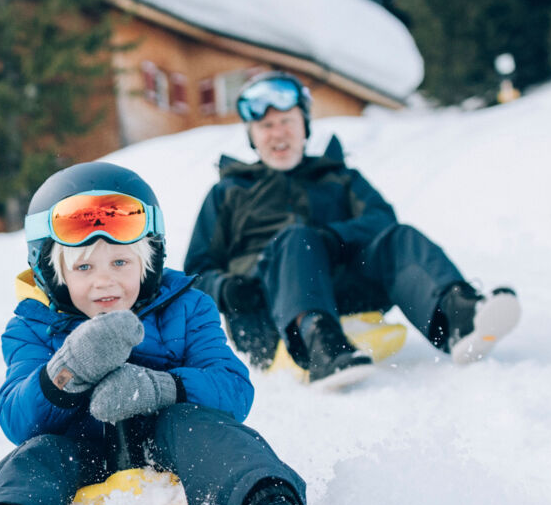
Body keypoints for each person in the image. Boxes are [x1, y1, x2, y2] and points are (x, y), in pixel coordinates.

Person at [0, 162, 323, 505]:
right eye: (84, 268)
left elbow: (233, 386)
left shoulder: (189, 307)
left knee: (209, 431)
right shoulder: (31, 326)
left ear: (149, 261)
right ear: (53, 272)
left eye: (121, 261)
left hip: (174, 447)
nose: (105, 281)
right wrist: (67, 372)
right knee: (38, 456)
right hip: (79, 453)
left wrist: (164, 388)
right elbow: (16, 418)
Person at [184, 71, 519, 388]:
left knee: (397, 237)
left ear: (304, 126)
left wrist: (333, 238)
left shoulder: (339, 177)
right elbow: (195, 272)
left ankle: (458, 315)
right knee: (297, 238)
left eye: (287, 121)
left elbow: (381, 220)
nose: (278, 133)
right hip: (267, 313)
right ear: (253, 136)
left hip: (342, 290)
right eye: (266, 125)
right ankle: (319, 344)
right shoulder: (228, 193)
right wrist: (227, 289)